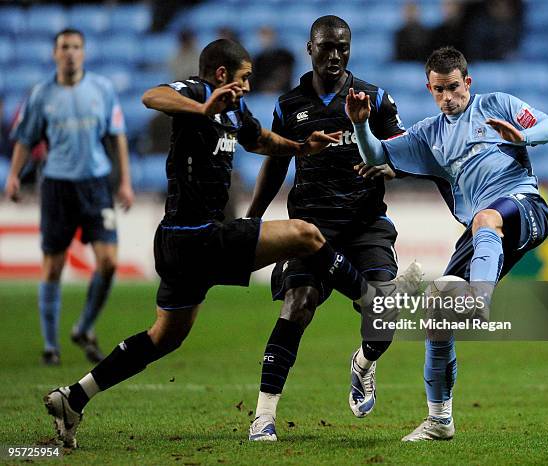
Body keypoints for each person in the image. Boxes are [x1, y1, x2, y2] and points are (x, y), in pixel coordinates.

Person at [42, 38, 419, 449]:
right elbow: (153, 96)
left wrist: (299, 147)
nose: (247, 87)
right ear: (222, 74)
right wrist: (202, 107)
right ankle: (367, 298)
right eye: (244, 79)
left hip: (178, 247)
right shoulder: (198, 91)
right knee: (306, 235)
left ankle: (75, 397)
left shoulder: (235, 109)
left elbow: (260, 141)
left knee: (164, 337)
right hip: (197, 236)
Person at [347, 46, 548, 441]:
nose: (447, 97)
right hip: (480, 234)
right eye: (438, 90)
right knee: (437, 313)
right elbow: (377, 153)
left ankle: (479, 299)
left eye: (453, 88)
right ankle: (439, 420)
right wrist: (361, 126)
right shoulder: (429, 135)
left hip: (525, 206)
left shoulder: (496, 104)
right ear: (429, 89)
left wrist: (524, 136)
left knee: (486, 218)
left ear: (468, 82)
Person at [246, 15, 419, 442]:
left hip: (365, 226)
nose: (336, 55)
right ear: (310, 49)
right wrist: (252, 216)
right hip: (310, 226)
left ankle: (363, 363)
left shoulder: (374, 99)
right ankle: (263, 416)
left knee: (382, 315)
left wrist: (391, 165)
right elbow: (276, 163)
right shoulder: (290, 105)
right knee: (298, 304)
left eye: (343, 46)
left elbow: (405, 153)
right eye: (327, 47)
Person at [5, 29, 134, 366]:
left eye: (76, 47)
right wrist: (14, 177)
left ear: (84, 53)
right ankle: (51, 345)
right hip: (58, 187)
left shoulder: (102, 89)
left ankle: (84, 327)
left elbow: (117, 136)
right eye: (64, 47)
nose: (71, 53)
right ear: (54, 54)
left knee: (108, 262)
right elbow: (24, 138)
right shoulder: (41, 94)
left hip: (95, 185)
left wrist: (125, 183)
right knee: (53, 266)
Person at [250, 26, 295, 94]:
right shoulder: (257, 59)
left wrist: (273, 85)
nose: (265, 40)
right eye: (263, 36)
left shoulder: (286, 56)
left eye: (268, 36)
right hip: (260, 95)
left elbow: (285, 74)